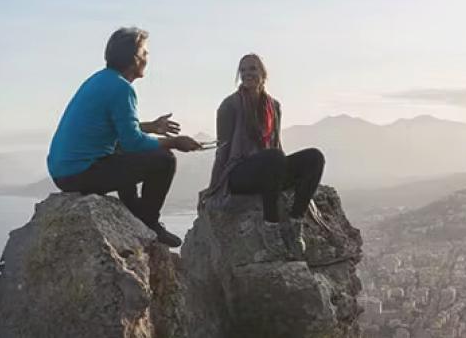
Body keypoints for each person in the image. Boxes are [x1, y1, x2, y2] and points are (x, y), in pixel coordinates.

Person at [47, 27, 202, 247]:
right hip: (81, 173)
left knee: (122, 151)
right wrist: (175, 142)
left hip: (63, 172)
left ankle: (134, 210)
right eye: (145, 53)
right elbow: (133, 142)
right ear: (135, 59)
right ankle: (149, 223)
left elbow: (114, 129)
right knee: (164, 160)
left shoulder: (100, 80)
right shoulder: (122, 89)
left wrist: (151, 126)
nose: (148, 58)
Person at [200, 53, 325, 256]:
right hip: (239, 173)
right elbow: (222, 148)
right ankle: (271, 225)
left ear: (263, 73)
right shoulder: (229, 105)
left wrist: (287, 169)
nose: (247, 74)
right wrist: (214, 186)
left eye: (252, 69)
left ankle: (296, 221)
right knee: (273, 157)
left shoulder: (273, 106)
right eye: (243, 70)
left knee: (314, 157)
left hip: (268, 167)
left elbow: (275, 142)